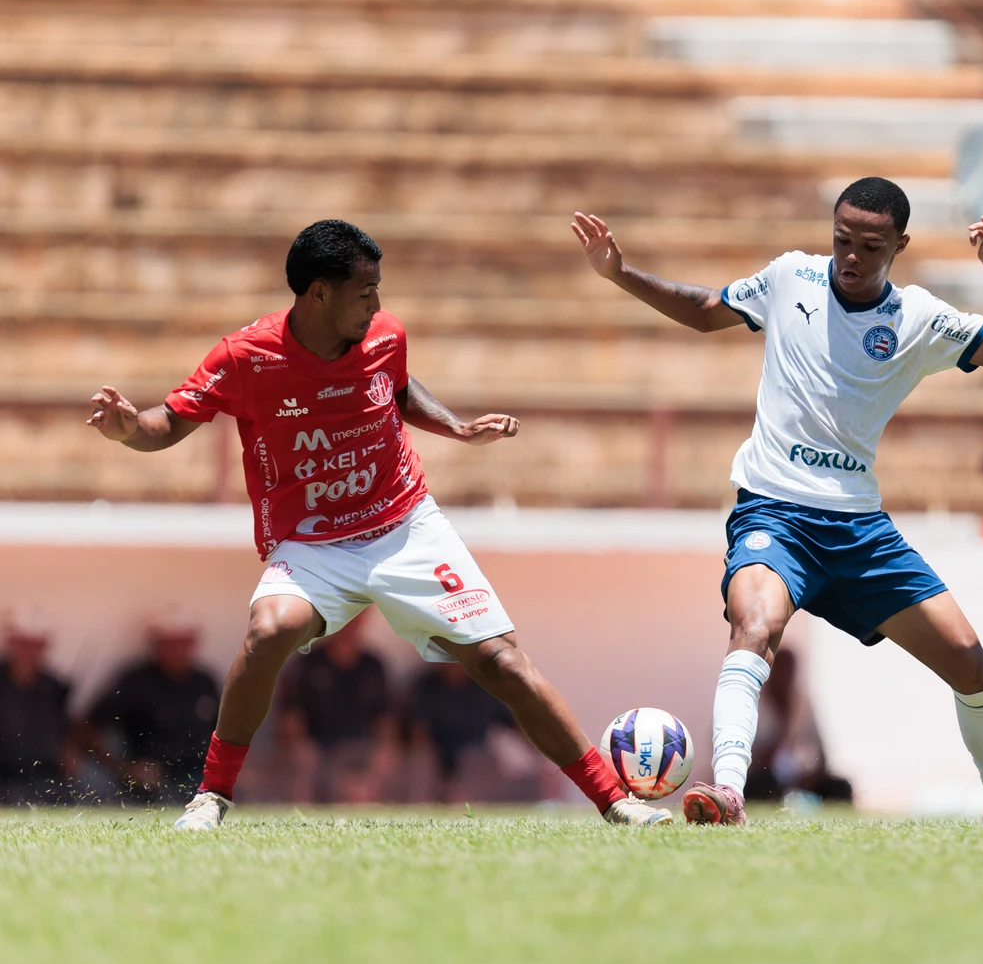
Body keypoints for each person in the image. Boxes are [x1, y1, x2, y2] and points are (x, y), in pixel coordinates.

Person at [88, 218, 668, 830]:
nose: (377, 303)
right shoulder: (246, 357)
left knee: (502, 662)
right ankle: (211, 797)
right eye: (364, 290)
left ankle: (615, 800)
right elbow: (171, 420)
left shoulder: (386, 335)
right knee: (268, 631)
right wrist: (130, 429)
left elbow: (394, 386)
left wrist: (457, 428)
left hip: (404, 525)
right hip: (312, 542)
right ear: (318, 293)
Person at [573, 178, 983, 826]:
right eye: (842, 240)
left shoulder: (920, 319)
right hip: (774, 510)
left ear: (899, 245)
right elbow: (708, 309)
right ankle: (727, 792)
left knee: (973, 665)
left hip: (859, 529)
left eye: (869, 246)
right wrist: (622, 274)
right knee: (755, 627)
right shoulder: (790, 277)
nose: (850, 256)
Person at [76, 612, 221, 804]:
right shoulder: (134, 681)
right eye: (170, 642)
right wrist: (124, 768)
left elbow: (224, 732)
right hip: (151, 778)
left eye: (184, 642)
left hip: (200, 775)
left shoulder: (205, 681)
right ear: (156, 643)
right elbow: (87, 728)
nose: (177, 649)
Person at [275, 612, 390, 803]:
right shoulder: (306, 663)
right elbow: (291, 715)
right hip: (319, 747)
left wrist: (385, 747)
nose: (350, 626)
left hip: (360, 748)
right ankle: (302, 826)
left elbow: (385, 717)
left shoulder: (373, 664)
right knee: (305, 763)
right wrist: (299, 743)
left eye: (356, 619)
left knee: (378, 766)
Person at [408, 660, 541, 802]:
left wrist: (541, 752)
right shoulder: (428, 684)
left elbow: (513, 722)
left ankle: (461, 808)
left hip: (476, 757)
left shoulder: (484, 685)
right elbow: (419, 731)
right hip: (437, 754)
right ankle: (419, 810)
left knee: (474, 767)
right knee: (423, 762)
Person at [742, 643, 852, 806]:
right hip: (767, 777)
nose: (786, 676)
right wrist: (782, 735)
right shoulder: (754, 704)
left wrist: (811, 776)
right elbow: (752, 760)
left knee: (841, 787)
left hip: (803, 775)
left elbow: (821, 750)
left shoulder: (803, 703)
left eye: (790, 670)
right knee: (763, 786)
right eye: (781, 669)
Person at [0, 607, 72, 804]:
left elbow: (65, 725)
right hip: (5, 775)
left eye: (36, 644)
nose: (29, 650)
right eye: (23, 643)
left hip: (48, 773)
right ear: (12, 642)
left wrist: (68, 750)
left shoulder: (54, 684)